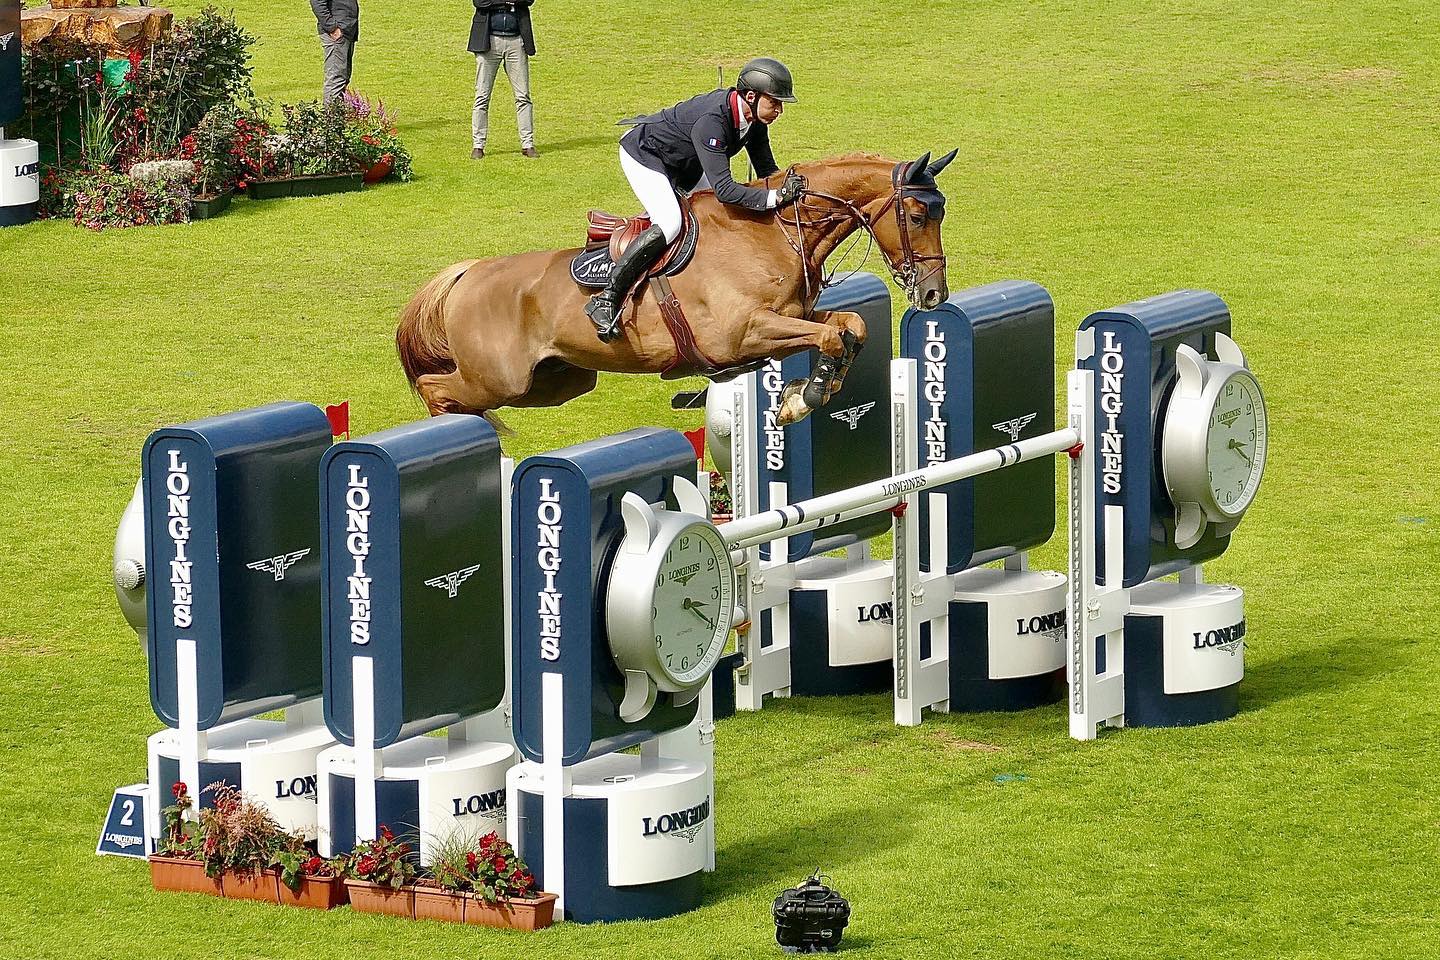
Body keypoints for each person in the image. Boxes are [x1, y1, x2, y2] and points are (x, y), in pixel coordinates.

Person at [586, 57, 805, 342]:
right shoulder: (712, 122)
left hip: (685, 163)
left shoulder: (754, 120)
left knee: (715, 216)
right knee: (670, 222)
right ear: (751, 97)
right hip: (646, 156)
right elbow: (726, 190)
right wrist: (776, 197)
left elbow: (767, 172)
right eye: (775, 102)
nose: (780, 110)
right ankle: (606, 299)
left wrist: (788, 190)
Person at [469, 0, 537, 159]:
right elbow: (479, 2)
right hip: (489, 41)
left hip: (516, 41)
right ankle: (478, 145)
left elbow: (528, 0)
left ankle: (527, 144)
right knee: (482, 96)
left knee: (523, 96)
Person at [309, 0, 360, 103]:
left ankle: (337, 115)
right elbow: (317, 3)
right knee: (336, 78)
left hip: (347, 31)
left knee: (343, 78)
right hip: (337, 33)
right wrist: (332, 27)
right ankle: (331, 117)